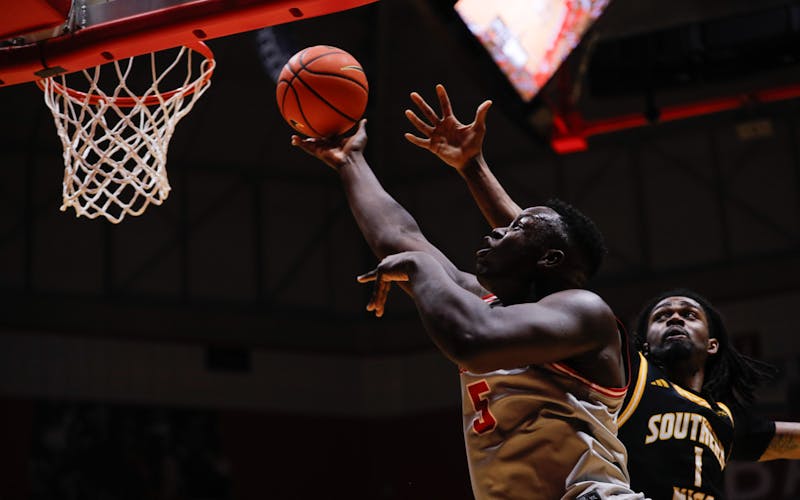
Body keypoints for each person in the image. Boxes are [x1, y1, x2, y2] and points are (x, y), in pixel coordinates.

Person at [406, 84, 800, 499]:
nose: (675, 318)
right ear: (641, 340)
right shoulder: (628, 372)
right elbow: (543, 247)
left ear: (714, 343)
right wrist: (473, 168)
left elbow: (791, 440)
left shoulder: (724, 418)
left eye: (689, 314)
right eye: (662, 316)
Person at [291, 120, 644, 499]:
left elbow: (470, 339)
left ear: (549, 259)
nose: (495, 231)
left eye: (516, 229)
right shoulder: (487, 305)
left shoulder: (584, 312)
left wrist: (419, 266)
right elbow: (399, 238)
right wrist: (350, 161)